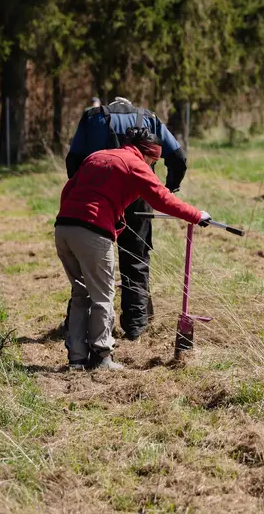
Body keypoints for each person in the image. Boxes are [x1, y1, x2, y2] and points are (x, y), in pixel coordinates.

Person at [56, 127, 210, 370]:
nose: (152, 166)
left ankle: (76, 357)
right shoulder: (135, 164)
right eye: (154, 161)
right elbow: (161, 198)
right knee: (103, 296)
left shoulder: (96, 156)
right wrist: (196, 215)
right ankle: (102, 355)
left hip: (64, 228)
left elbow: (68, 191)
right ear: (147, 153)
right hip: (91, 231)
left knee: (81, 292)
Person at [66, 96, 188, 339]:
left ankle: (88, 326)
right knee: (136, 259)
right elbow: (178, 157)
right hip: (139, 197)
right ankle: (135, 326)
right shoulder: (150, 118)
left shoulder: (92, 117)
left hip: (97, 200)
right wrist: (170, 185)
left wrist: (80, 187)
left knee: (91, 263)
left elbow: (73, 159)